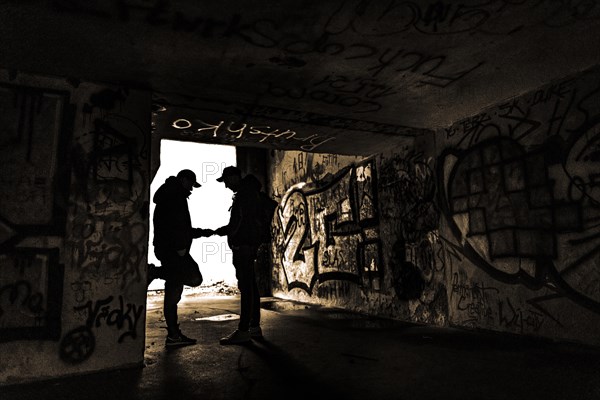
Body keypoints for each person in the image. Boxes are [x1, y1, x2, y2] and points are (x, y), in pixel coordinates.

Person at [149, 169, 213, 347]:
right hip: (174, 251)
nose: (192, 189)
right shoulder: (175, 196)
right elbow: (176, 225)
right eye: (191, 184)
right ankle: (155, 272)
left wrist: (203, 233)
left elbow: (179, 227)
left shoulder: (169, 194)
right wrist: (180, 248)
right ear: (183, 180)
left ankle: (173, 336)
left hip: (167, 249)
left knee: (173, 292)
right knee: (194, 278)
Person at [214, 166, 265, 345]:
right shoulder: (250, 192)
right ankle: (254, 327)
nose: (226, 186)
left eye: (226, 181)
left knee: (246, 286)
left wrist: (233, 237)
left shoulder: (245, 194)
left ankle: (244, 330)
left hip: (243, 246)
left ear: (234, 177)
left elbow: (242, 221)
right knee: (251, 285)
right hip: (248, 245)